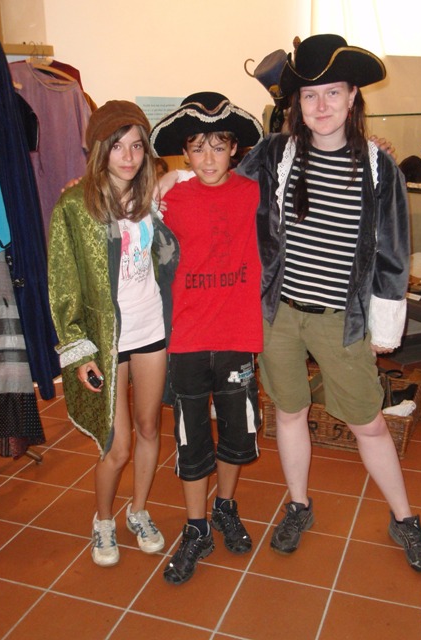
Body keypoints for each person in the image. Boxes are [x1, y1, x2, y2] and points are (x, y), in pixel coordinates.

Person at [233, 34, 421, 574]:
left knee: (368, 422)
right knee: (289, 412)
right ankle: (298, 504)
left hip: (339, 320)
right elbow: (223, 196)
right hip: (278, 315)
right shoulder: (273, 155)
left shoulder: (379, 168)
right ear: (297, 103)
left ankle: (404, 518)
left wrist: (383, 327)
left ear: (352, 98)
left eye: (332, 93)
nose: (321, 105)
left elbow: (392, 254)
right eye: (310, 95)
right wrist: (168, 183)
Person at [48, 100, 178, 567]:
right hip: (107, 340)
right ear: (100, 149)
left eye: (137, 146)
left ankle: (137, 510)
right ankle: (103, 518)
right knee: (117, 444)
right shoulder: (74, 206)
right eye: (118, 146)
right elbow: (62, 283)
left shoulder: (152, 201)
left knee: (149, 427)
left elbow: (210, 172)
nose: (128, 156)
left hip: (151, 329)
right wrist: (77, 348)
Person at [149, 92, 264, 585]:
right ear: (184, 153)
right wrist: (162, 181)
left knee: (237, 433)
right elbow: (117, 204)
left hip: (238, 335)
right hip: (188, 339)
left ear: (235, 148)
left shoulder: (256, 194)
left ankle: (225, 506)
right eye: (197, 148)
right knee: (191, 436)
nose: (209, 159)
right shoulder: (167, 199)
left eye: (219, 146)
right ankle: (196, 527)